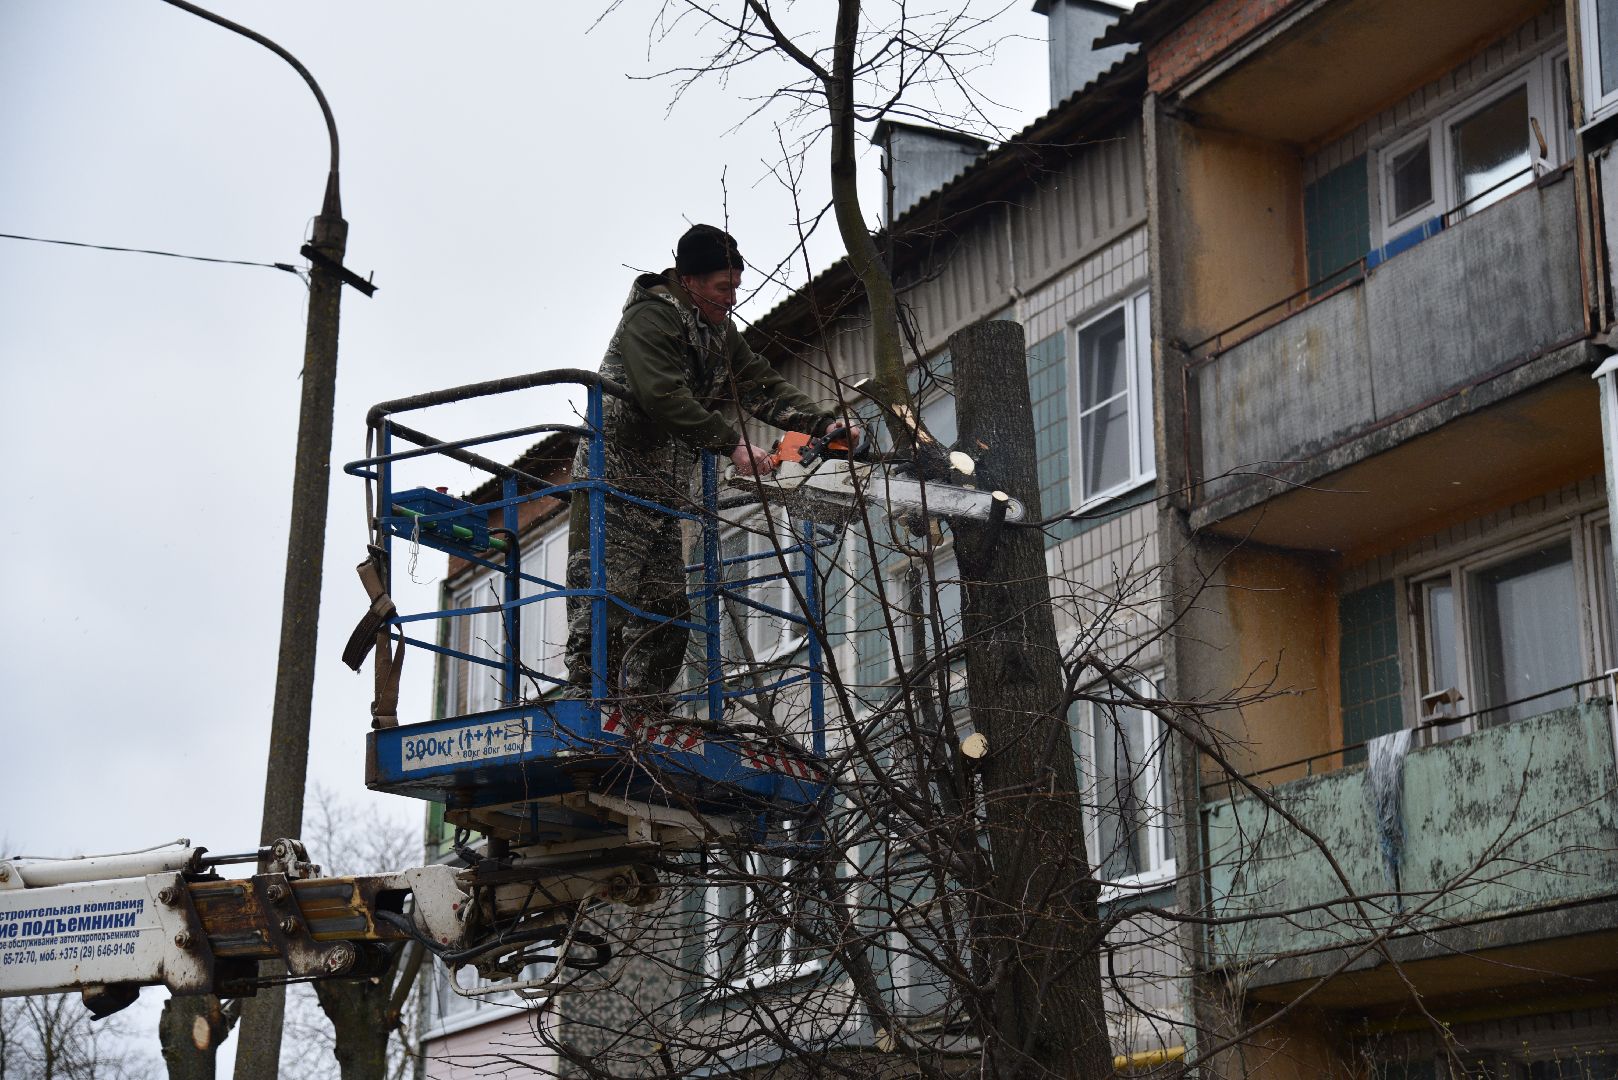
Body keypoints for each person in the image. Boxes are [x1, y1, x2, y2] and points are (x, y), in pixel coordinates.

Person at [563, 224, 856, 709]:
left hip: (661, 488)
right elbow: (662, 395)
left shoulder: (717, 331)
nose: (732, 299)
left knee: (666, 610)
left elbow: (759, 384)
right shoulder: (651, 319)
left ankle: (644, 708)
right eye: (723, 287)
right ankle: (589, 704)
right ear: (689, 280)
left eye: (736, 286)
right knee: (605, 598)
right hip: (613, 480)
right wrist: (731, 444)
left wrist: (823, 424)